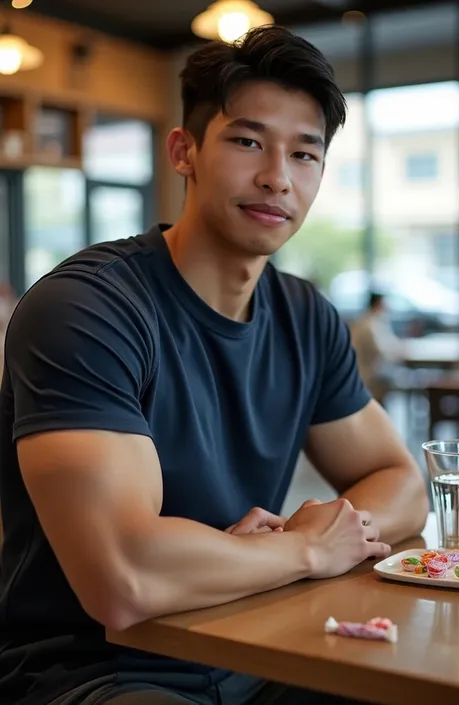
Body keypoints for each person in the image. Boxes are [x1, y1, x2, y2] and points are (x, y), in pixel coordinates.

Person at [0, 26, 428, 705]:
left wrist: (294, 536)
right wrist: (307, 549)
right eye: (248, 141)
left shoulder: (305, 316)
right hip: (94, 672)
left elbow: (404, 485)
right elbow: (123, 578)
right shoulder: (87, 309)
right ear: (184, 151)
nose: (277, 177)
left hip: (256, 648)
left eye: (305, 153)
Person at [350, 292, 405, 405]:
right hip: (368, 376)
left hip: (364, 373)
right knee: (401, 377)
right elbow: (383, 352)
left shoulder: (370, 321)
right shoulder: (369, 325)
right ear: (379, 304)